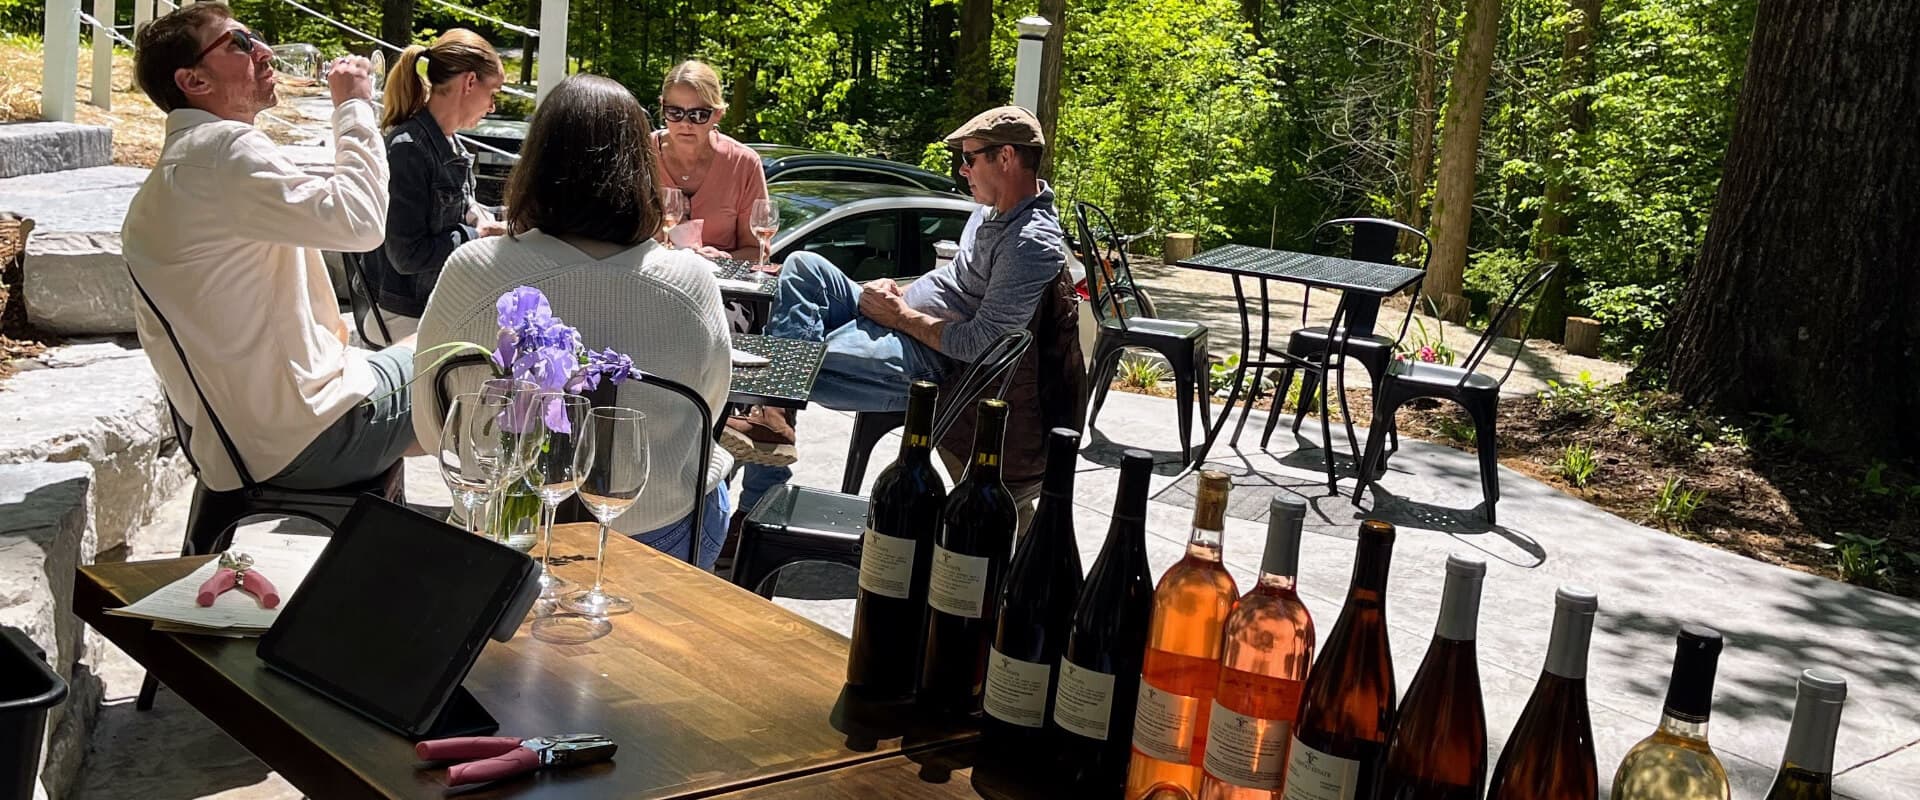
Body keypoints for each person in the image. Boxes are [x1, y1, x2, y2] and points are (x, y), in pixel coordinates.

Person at [412, 74, 735, 569]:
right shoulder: (691, 282)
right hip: (655, 536)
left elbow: (432, 418)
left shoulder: (473, 270)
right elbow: (707, 411)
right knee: (717, 483)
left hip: (499, 532)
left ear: (535, 165)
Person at [724, 105, 1067, 536]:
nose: (962, 170)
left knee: (771, 363)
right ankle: (775, 418)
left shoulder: (1030, 242)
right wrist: (900, 291)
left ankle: (756, 493)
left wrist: (902, 315)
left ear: (1007, 158)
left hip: (929, 355)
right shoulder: (989, 211)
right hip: (902, 318)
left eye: (970, 158)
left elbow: (984, 345)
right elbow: (954, 280)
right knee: (804, 265)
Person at [122, 5, 414, 493]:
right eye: (239, 43)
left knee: (422, 349)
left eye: (254, 36)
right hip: (309, 439)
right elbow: (361, 223)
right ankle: (507, 542)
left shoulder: (179, 171)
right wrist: (355, 107)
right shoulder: (225, 152)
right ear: (193, 81)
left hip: (238, 448)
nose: (262, 49)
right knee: (472, 357)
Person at [357, 29, 508, 344]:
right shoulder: (408, 148)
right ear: (469, 82)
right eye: (493, 92)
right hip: (401, 314)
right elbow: (406, 255)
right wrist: (476, 236)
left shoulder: (450, 143)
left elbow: (459, 206)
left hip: (434, 301)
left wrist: (482, 217)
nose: (493, 106)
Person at [650, 60, 767, 261]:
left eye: (698, 115)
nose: (685, 124)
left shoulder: (743, 163)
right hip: (649, 280)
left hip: (719, 286)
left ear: (718, 114)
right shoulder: (640, 153)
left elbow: (758, 251)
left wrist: (723, 259)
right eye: (675, 113)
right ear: (663, 107)